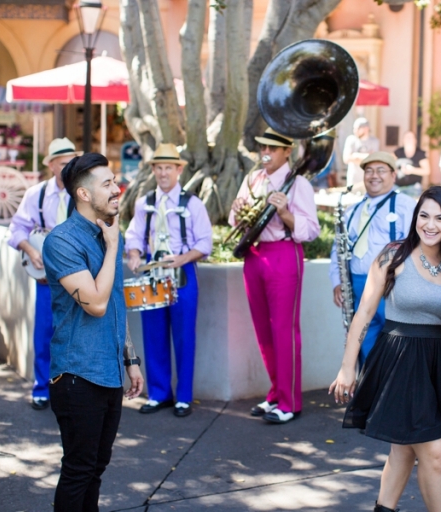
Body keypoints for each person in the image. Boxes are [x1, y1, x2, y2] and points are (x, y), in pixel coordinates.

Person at [330, 186, 441, 512]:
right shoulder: (392, 255)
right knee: (435, 454)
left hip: (437, 364)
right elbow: (365, 313)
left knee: (403, 451)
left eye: (439, 218)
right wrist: (347, 366)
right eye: (424, 215)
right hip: (399, 361)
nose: (430, 224)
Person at [42, 153, 144, 511]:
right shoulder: (62, 241)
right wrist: (114, 246)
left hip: (109, 370)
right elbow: (96, 304)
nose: (117, 190)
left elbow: (115, 303)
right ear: (83, 195)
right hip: (77, 373)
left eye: (115, 181)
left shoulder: (107, 231)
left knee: (96, 469)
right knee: (79, 469)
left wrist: (130, 358)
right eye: (107, 184)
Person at [229, 127, 320, 424]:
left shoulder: (298, 184)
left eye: (271, 148)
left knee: (283, 329)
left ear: (286, 152)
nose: (264, 153)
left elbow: (311, 230)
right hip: (254, 255)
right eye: (262, 147)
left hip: (283, 253)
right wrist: (237, 210)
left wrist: (285, 214)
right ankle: (275, 393)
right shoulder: (253, 179)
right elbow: (236, 220)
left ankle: (290, 402)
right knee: (263, 329)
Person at [125, 143, 212, 417]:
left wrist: (184, 258)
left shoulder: (193, 203)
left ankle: (183, 396)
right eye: (159, 168)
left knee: (184, 335)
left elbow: (205, 242)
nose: (163, 173)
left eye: (168, 168)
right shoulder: (144, 203)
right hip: (154, 273)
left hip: (182, 273)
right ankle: (159, 393)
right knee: (153, 333)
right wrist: (135, 254)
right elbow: (134, 234)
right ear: (153, 170)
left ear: (178, 170)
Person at [7, 137, 81, 410]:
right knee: (46, 333)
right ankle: (42, 387)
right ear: (51, 165)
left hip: (78, 276)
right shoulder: (35, 194)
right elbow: (16, 230)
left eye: (72, 163)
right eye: (63, 164)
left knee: (77, 333)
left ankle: (73, 389)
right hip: (46, 277)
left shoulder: (82, 192)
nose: (68, 168)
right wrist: (30, 249)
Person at [329, 152, 417, 366]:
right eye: (369, 171)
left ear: (393, 175)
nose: (373, 176)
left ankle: (392, 396)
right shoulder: (353, 210)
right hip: (357, 286)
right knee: (363, 349)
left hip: (392, 287)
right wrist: (337, 282)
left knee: (394, 347)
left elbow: (415, 247)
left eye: (380, 170)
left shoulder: (407, 205)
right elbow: (337, 250)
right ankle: (369, 395)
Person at [343, 117, 380, 190]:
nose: (354, 131)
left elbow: (374, 160)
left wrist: (355, 156)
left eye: (357, 128)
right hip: (353, 181)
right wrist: (367, 156)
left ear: (366, 128)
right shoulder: (351, 140)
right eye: (354, 128)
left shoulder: (374, 141)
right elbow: (346, 159)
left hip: (368, 182)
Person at [393, 130, 431, 197]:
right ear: (403, 140)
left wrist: (412, 170)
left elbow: (427, 171)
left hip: (414, 187)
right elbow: (390, 165)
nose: (409, 139)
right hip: (397, 186)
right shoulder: (397, 152)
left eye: (411, 137)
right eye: (407, 137)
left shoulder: (420, 154)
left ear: (415, 140)